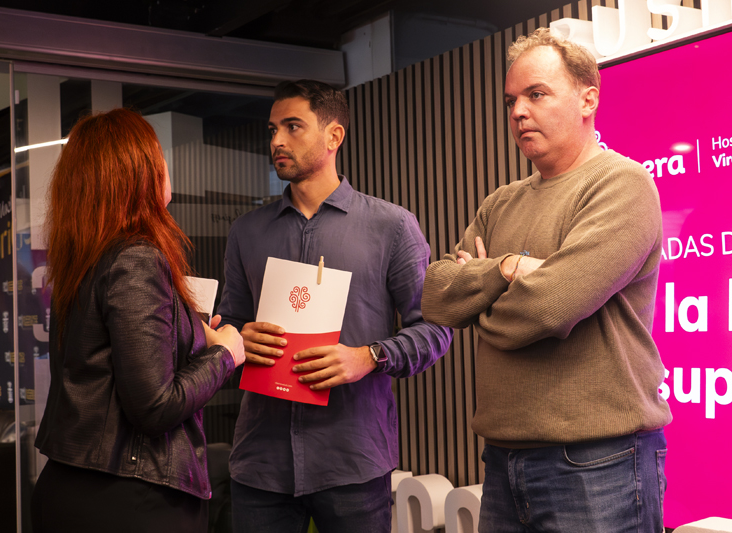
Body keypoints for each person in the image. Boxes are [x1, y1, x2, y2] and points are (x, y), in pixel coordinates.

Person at [422, 28, 672, 532]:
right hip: (501, 459)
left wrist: (480, 297)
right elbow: (435, 296)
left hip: (598, 463)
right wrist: (508, 269)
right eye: (511, 100)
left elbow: (549, 308)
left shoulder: (621, 184)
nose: (518, 112)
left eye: (536, 95)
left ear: (587, 100)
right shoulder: (500, 202)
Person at [217, 79, 452, 532]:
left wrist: (369, 356)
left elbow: (436, 328)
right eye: (272, 129)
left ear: (334, 136)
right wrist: (237, 336)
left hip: (352, 462)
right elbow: (230, 322)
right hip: (261, 464)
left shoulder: (392, 227)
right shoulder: (247, 231)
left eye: (292, 127)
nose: (277, 141)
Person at [32, 108, 246, 533]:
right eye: (158, 154)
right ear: (140, 173)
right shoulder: (136, 258)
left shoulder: (85, 259)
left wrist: (191, 334)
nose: (166, 164)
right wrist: (225, 353)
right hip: (130, 498)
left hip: (72, 486)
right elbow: (155, 407)